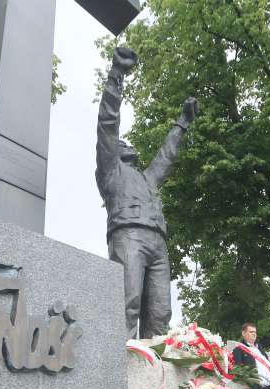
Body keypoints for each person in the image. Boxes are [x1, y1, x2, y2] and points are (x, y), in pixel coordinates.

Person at [96, 47, 197, 338]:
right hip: (129, 236)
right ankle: (119, 361)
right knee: (127, 304)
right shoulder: (111, 170)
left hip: (157, 242)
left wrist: (183, 122)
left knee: (160, 313)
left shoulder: (146, 178)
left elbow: (166, 156)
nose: (127, 144)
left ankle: (154, 365)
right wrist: (117, 75)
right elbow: (107, 124)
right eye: (123, 143)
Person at [232, 323, 270, 389]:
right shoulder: (239, 349)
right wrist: (250, 387)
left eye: (255, 332)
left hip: (269, 388)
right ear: (243, 333)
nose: (254, 334)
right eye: (251, 332)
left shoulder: (260, 348)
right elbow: (238, 370)